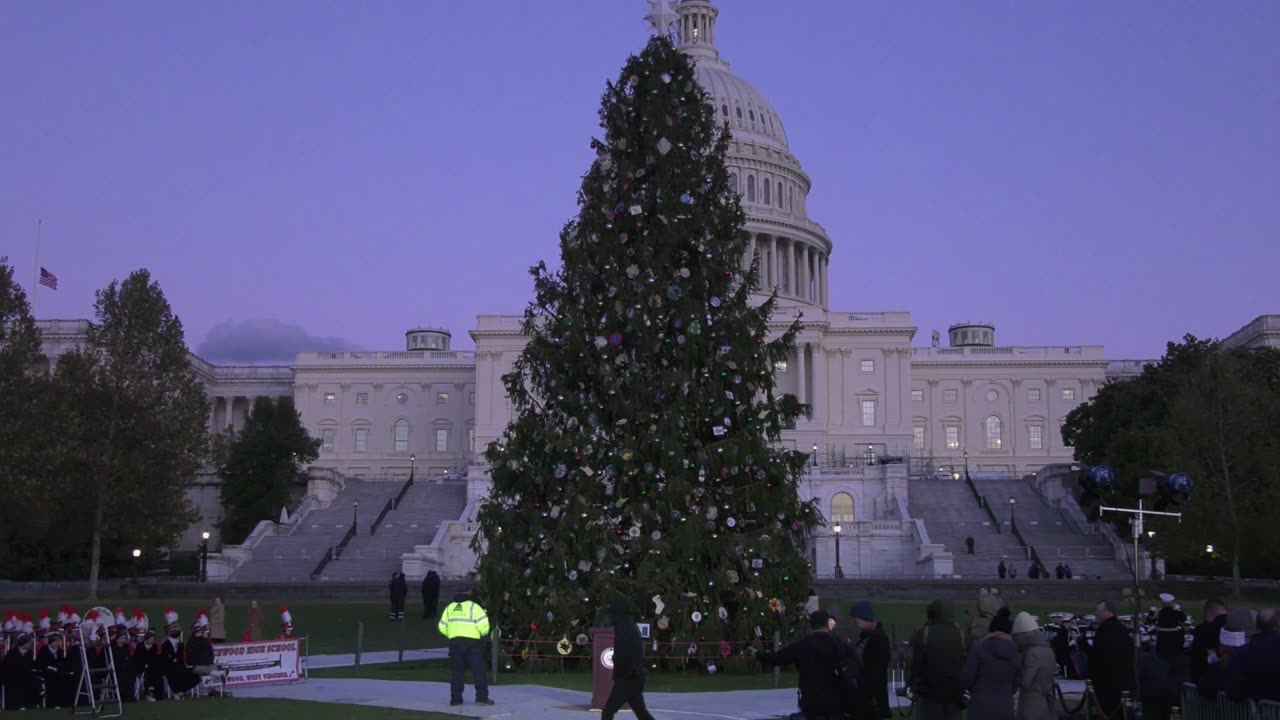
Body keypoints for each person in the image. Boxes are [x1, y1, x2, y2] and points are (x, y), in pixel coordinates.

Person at [758, 610, 859, 719]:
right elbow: (855, 664)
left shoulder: (802, 645)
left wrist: (758, 654)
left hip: (810, 699)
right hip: (835, 698)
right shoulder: (838, 645)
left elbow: (776, 659)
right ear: (827, 624)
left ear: (811, 625)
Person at [908, 600, 968, 720]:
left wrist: (911, 685)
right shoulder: (960, 633)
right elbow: (965, 663)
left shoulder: (924, 633)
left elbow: (915, 664)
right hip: (954, 694)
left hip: (930, 694)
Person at [599, 598, 657, 720]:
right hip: (634, 676)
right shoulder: (629, 625)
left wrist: (621, 665)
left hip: (627, 678)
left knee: (608, 712)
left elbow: (624, 651)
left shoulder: (623, 627)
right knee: (642, 713)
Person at [438, 589, 494, 706]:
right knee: (479, 671)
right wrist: (481, 634)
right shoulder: (475, 607)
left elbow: (442, 626)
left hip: (455, 643)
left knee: (457, 673)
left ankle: (456, 699)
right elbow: (484, 627)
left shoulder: (450, 608)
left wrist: (452, 634)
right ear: (469, 593)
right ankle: (482, 698)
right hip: (472, 644)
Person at [960, 607, 1019, 720]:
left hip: (980, 706)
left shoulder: (979, 648)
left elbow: (967, 678)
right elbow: (1015, 684)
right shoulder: (1016, 651)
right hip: (1005, 707)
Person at [1089, 600, 1134, 717]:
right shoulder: (1122, 629)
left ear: (1107, 611)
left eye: (1098, 611)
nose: (1096, 613)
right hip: (1124, 683)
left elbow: (1097, 658)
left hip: (1107, 685)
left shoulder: (1104, 630)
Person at [1225, 608, 1280, 703]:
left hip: (1258, 710)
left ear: (1256, 625)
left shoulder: (1243, 652)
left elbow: (1235, 690)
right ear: (1277, 625)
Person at [851, 600, 891, 720]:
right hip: (867, 695)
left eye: (856, 619)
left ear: (865, 618)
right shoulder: (867, 637)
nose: (853, 622)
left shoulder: (878, 639)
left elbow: (876, 672)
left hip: (873, 698)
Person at [1012, 612, 1056, 720]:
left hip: (1031, 702)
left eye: (1016, 636)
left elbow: (1025, 682)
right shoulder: (1048, 649)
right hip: (1045, 700)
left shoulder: (1032, 652)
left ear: (1022, 634)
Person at [1190, 598, 1228, 683]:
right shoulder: (1237, 625)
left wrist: (1215, 667)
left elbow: (1210, 652)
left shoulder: (1204, 629)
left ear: (1208, 612)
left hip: (1208, 681)